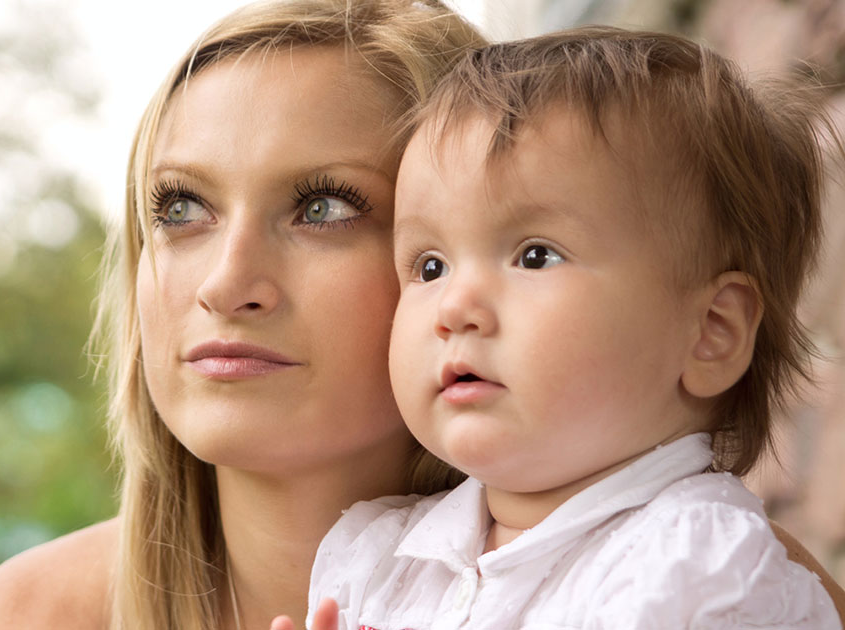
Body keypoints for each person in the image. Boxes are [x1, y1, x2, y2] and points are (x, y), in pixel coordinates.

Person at [0, 3, 845, 629]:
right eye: (180, 209)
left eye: (326, 207)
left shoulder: (722, 586)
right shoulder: (33, 613)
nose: (227, 283)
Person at [297, 26, 843, 629]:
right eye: (430, 266)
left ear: (712, 331)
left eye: (535, 256)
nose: (455, 307)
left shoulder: (703, 567)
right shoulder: (377, 559)